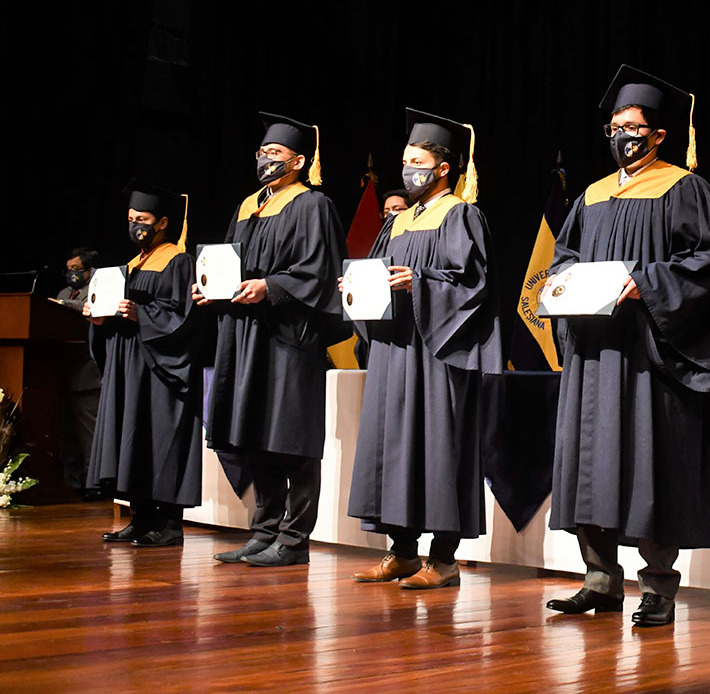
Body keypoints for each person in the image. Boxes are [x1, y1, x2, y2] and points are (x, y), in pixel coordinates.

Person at [544, 65, 710, 627]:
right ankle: (600, 580)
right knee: (589, 464)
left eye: (632, 126)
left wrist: (646, 284)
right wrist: (568, 282)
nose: (621, 135)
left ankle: (659, 589)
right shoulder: (591, 196)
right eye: (614, 127)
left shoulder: (683, 188)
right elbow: (563, 259)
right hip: (593, 352)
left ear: (658, 135)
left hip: (649, 354)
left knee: (651, 467)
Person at [346, 110, 501, 589]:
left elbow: (475, 285)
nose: (408, 169)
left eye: (418, 162)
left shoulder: (461, 215)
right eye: (405, 160)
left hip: (438, 353)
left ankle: (445, 560)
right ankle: (403, 553)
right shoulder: (397, 222)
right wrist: (356, 287)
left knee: (439, 448)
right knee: (395, 447)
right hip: (395, 350)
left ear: (443, 168)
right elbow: (377, 275)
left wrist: (423, 282)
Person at [198, 112, 348, 567]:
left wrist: (271, 286)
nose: (266, 160)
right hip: (245, 336)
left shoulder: (312, 205)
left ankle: (294, 539)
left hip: (288, 337)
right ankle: (263, 531)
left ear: (299, 161)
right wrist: (212, 288)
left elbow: (320, 272)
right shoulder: (249, 206)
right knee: (256, 435)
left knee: (291, 441)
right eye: (262, 152)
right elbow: (228, 263)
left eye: (276, 154)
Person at [86, 181, 202, 546]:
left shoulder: (178, 261)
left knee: (159, 438)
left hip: (160, 368)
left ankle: (167, 524)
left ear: (163, 222)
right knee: (133, 437)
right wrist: (100, 319)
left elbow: (184, 318)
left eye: (144, 219)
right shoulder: (131, 264)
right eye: (132, 218)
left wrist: (142, 314)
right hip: (129, 364)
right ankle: (140, 517)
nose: (137, 225)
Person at [55, 247, 102, 494]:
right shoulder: (64, 292)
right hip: (61, 371)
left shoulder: (96, 290)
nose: (71, 274)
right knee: (67, 435)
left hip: (87, 372)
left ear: (89, 270)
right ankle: (70, 482)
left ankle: (93, 483)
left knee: (89, 434)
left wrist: (63, 304)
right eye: (69, 269)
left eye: (76, 269)